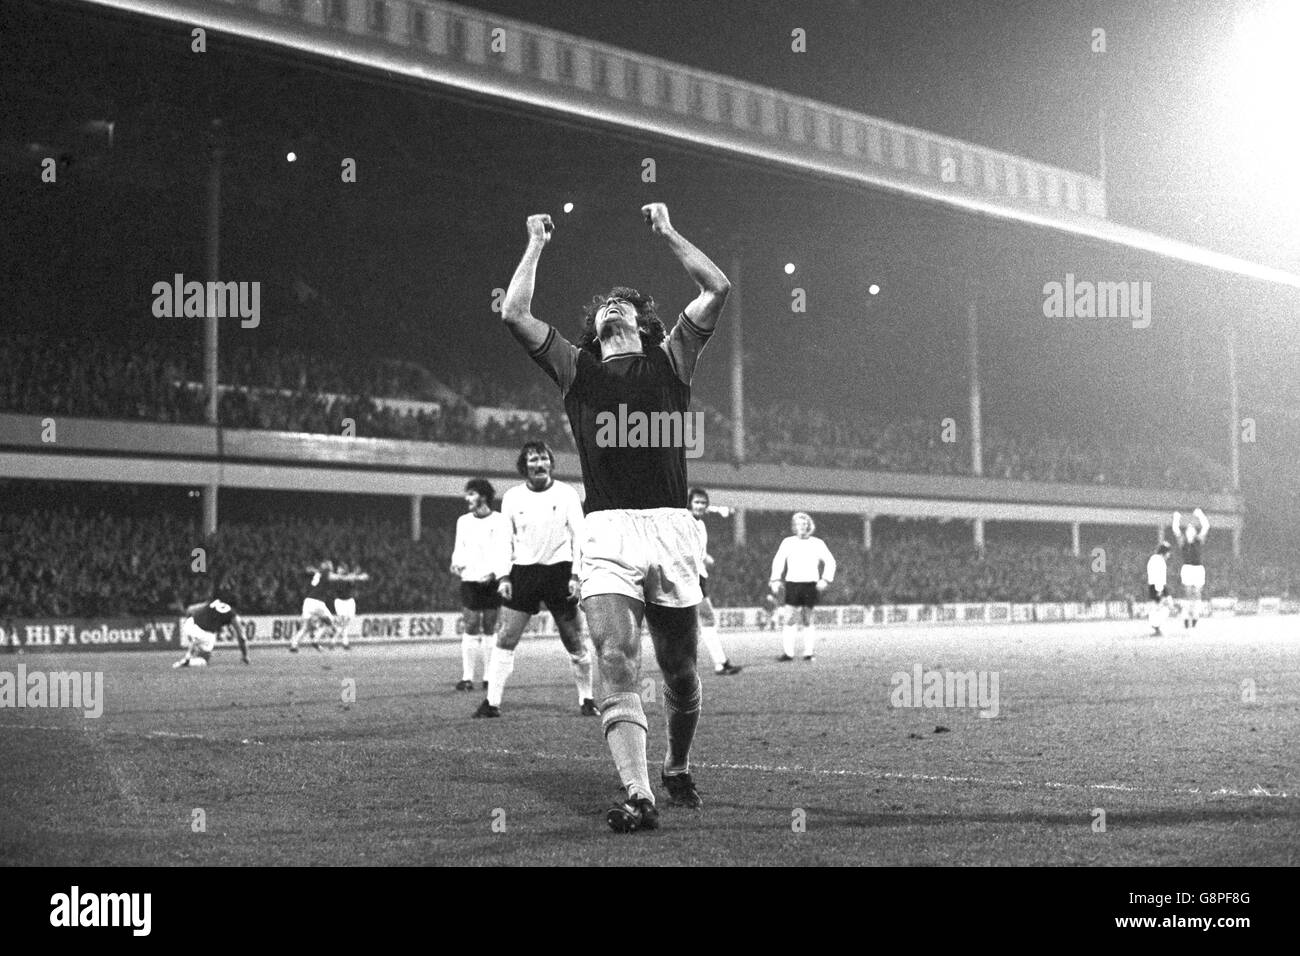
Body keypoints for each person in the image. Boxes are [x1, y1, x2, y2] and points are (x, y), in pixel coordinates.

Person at [500, 202, 730, 832]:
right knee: (615, 655)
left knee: (680, 671)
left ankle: (676, 764)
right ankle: (638, 794)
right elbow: (514, 314)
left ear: (641, 322)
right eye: (603, 306)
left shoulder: (672, 359)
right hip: (606, 529)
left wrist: (668, 231)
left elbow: (718, 286)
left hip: (671, 526)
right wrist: (534, 243)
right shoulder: (578, 369)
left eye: (621, 305)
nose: (610, 307)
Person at [473, 441, 597, 718]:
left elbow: (580, 535)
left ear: (551, 463)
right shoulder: (513, 497)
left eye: (543, 459)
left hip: (560, 571)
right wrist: (504, 575)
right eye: (532, 460)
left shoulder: (566, 494)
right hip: (524, 572)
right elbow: (504, 539)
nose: (538, 464)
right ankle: (491, 703)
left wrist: (577, 574)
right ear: (524, 466)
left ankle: (587, 699)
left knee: (574, 640)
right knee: (505, 637)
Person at [450, 478, 511, 690]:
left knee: (489, 627)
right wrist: (456, 564)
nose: (467, 498)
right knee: (471, 623)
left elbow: (505, 550)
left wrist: (495, 573)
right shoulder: (463, 521)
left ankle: (488, 677)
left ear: (483, 496)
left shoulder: (501, 521)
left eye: (471, 494)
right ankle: (467, 678)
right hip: (470, 579)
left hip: (492, 580)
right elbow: (459, 547)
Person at [688, 488, 741, 675]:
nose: (700, 506)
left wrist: (707, 557)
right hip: (688, 577)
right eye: (697, 502)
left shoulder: (700, 524)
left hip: (698, 576)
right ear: (689, 503)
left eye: (703, 503)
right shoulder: (683, 523)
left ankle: (720, 662)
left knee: (695, 622)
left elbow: (698, 550)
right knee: (707, 618)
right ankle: (720, 662)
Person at [769, 512, 836, 661]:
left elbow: (830, 561)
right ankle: (788, 653)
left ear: (809, 526)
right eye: (798, 524)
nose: (802, 527)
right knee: (789, 618)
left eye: (805, 524)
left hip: (810, 584)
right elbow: (778, 561)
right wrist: (775, 579)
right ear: (794, 527)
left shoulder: (817, 543)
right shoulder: (787, 542)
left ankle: (808, 653)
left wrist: (825, 579)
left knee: (807, 618)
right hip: (792, 583)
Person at [174, 588, 246, 668]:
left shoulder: (214, 602)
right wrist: (245, 655)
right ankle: (188, 661)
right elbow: (241, 637)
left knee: (199, 640)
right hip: (204, 633)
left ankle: (190, 652)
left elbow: (190, 609)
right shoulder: (232, 614)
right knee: (204, 659)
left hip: (189, 624)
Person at [1172, 508, 1209, 628]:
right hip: (1187, 568)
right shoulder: (1183, 542)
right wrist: (1176, 519)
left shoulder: (1198, 540)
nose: (1190, 530)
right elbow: (1175, 529)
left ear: (1194, 532)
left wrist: (1200, 515)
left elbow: (1206, 526)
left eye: (1192, 529)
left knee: (1197, 593)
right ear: (1187, 532)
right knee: (1187, 594)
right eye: (1188, 529)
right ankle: (1186, 617)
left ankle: (1195, 616)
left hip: (1198, 568)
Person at [289, 561, 336, 653]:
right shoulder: (326, 572)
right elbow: (337, 577)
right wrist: (355, 577)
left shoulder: (319, 573)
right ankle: (315, 639)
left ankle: (294, 645)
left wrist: (312, 569)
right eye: (330, 565)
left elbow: (313, 571)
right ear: (328, 567)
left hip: (308, 601)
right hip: (318, 602)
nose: (332, 567)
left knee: (305, 627)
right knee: (330, 621)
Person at [1146, 540, 1173, 635]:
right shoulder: (1158, 560)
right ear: (1165, 552)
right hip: (1158, 586)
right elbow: (1158, 576)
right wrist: (1159, 590)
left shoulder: (1154, 559)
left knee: (1159, 607)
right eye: (1169, 552)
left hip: (1155, 586)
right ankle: (1156, 626)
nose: (1169, 555)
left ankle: (1156, 626)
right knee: (1164, 606)